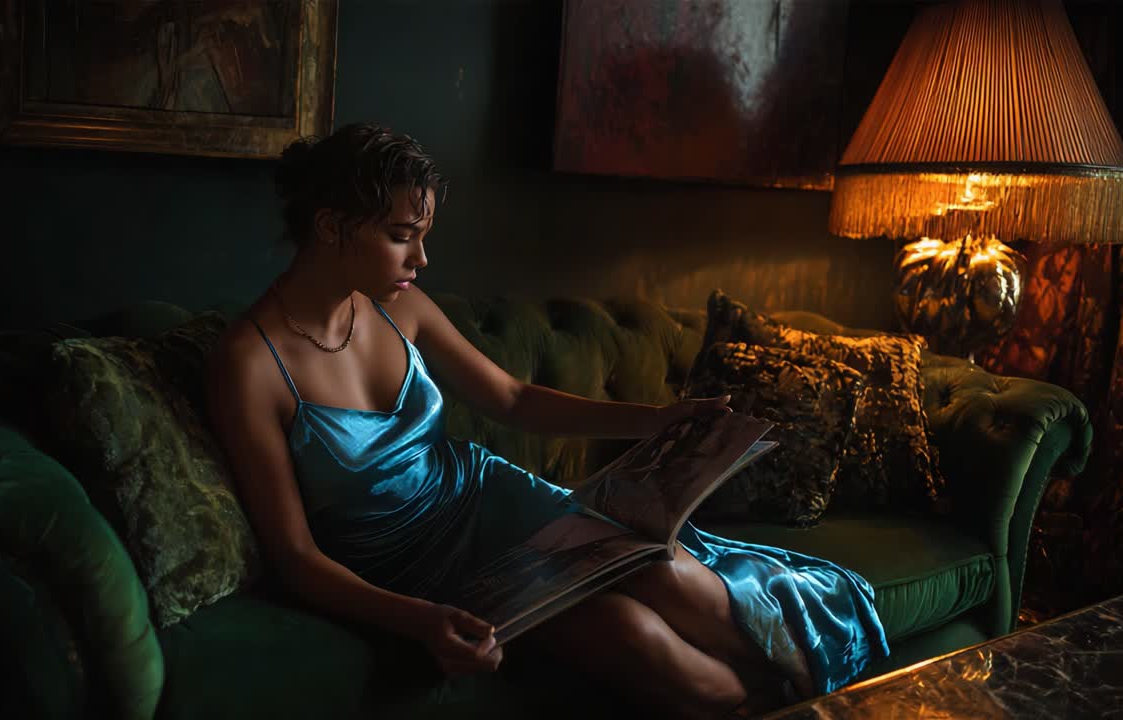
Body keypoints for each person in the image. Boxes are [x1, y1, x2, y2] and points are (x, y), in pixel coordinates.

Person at [204, 122, 889, 718]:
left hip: (490, 497)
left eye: (424, 236)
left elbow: (512, 398)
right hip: (414, 571)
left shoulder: (398, 307)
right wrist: (422, 622)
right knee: (632, 635)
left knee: (667, 573)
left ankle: (818, 696)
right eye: (401, 237)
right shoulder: (250, 364)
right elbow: (295, 558)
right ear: (330, 227)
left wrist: (660, 420)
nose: (421, 259)